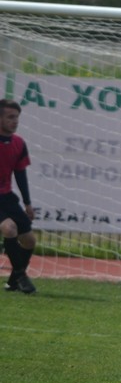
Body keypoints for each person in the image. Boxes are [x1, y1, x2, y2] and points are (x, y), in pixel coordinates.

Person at [0, 100, 37, 294]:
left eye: (17, 117)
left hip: (7, 197)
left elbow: (20, 174)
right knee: (9, 228)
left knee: (29, 240)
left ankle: (13, 281)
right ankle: (22, 276)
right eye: (10, 117)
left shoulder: (18, 143)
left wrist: (27, 203)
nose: (15, 121)